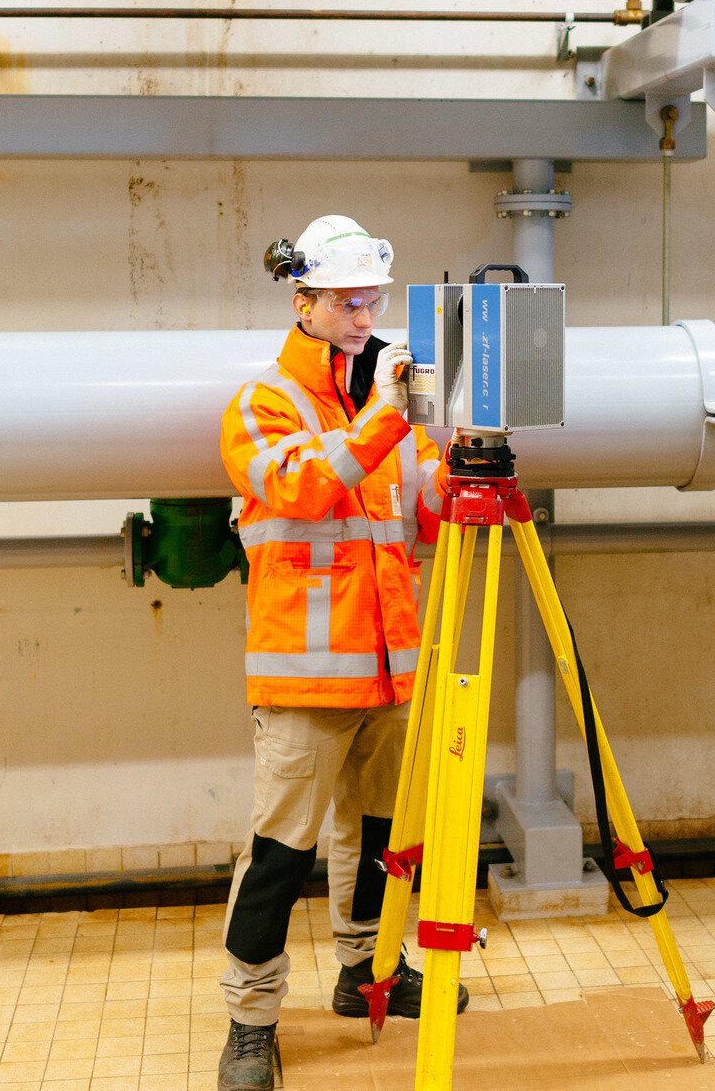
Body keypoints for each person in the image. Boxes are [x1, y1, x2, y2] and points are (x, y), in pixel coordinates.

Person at [213, 215, 468, 1090]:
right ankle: (250, 1023)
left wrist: (465, 460)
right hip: (304, 679)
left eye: (372, 301)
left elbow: (423, 511)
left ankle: (367, 972)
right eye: (347, 302)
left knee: (383, 836)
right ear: (305, 302)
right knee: (281, 854)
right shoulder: (264, 404)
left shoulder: (392, 408)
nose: (364, 317)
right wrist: (390, 422)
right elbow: (305, 483)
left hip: (391, 669)